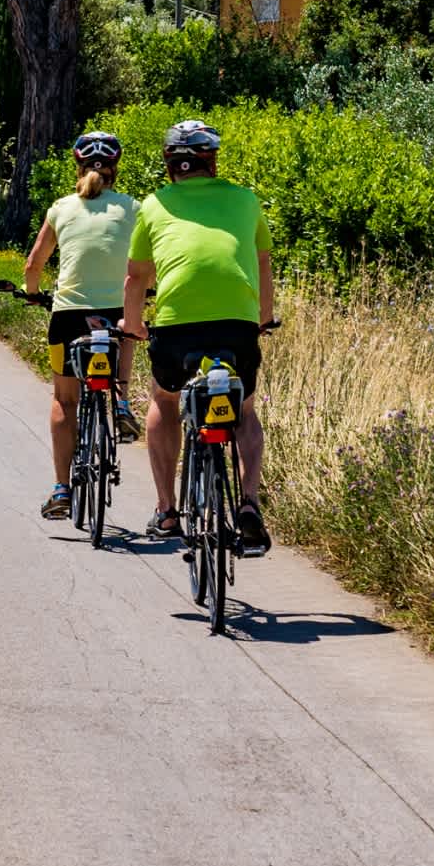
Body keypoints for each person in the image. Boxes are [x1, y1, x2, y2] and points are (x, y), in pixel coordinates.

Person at [119, 120, 275, 555]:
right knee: (242, 410)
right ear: (213, 161)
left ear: (170, 164)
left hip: (175, 326)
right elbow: (262, 265)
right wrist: (263, 319)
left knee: (164, 401)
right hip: (237, 325)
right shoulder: (246, 200)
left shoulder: (152, 205)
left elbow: (136, 277)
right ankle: (247, 504)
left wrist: (133, 325)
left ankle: (167, 509)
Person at [19, 131, 137, 520]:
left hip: (69, 316)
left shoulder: (61, 208)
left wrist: (32, 292)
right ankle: (120, 399)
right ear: (115, 169)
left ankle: (61, 489)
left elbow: (33, 264)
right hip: (115, 311)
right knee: (129, 322)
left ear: (78, 166)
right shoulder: (133, 208)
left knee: (64, 401)